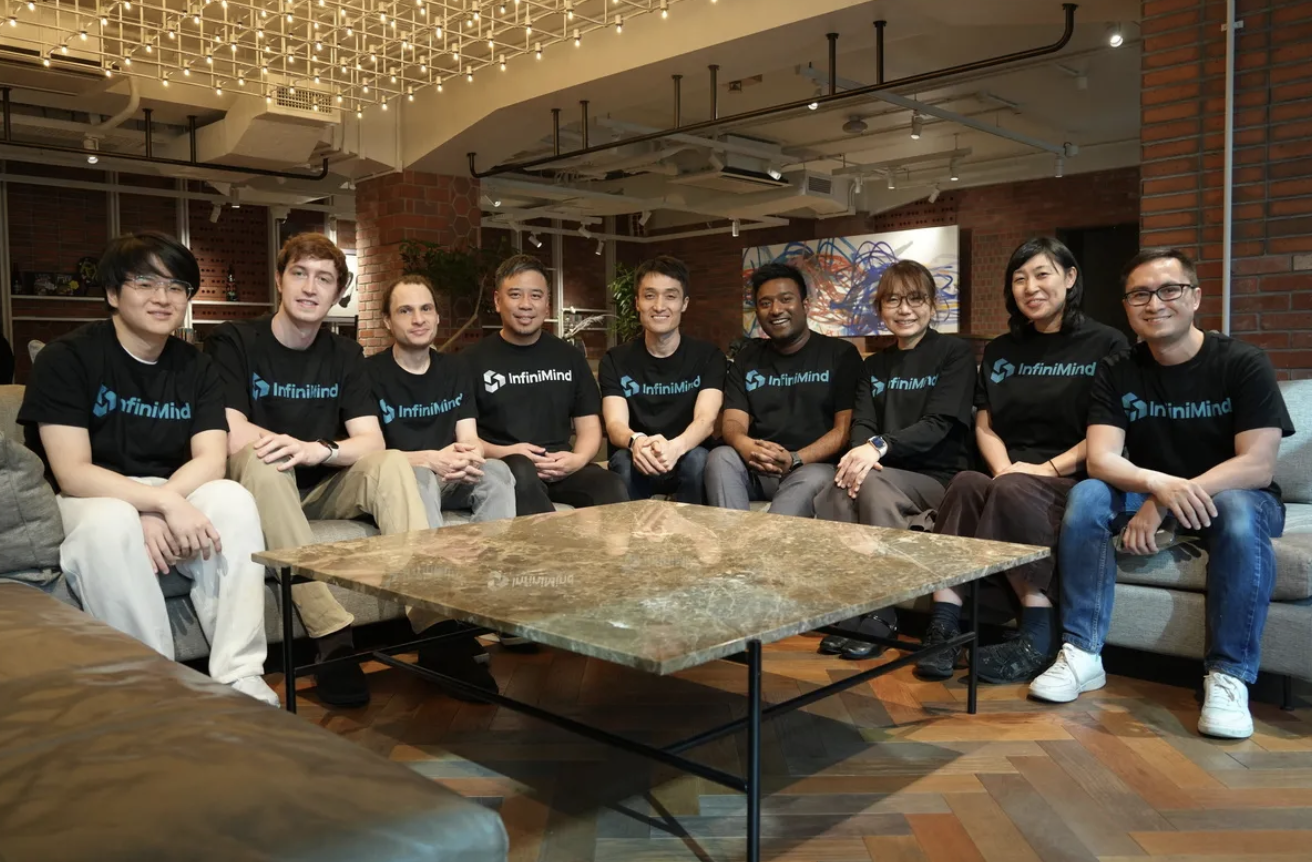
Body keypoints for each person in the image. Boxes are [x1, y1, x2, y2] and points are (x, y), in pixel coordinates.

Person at [204, 233, 493, 707]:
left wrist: (315, 450)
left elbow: (370, 441)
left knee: (391, 462)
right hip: (259, 485)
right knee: (262, 458)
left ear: (338, 292)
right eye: (299, 274)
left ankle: (433, 625)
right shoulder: (236, 340)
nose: (309, 287)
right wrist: (289, 448)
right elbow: (232, 431)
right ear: (279, 279)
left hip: (320, 485)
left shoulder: (344, 354)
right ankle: (333, 638)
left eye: (324, 279)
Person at [1030, 248, 1293, 739]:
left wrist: (1160, 501)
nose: (1155, 303)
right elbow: (1101, 459)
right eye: (1140, 295)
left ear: (1195, 297)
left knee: (1237, 511)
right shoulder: (1118, 368)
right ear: (1127, 307)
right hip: (1154, 488)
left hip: (1235, 494)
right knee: (1088, 495)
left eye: (1169, 290)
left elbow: (1257, 465)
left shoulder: (1242, 362)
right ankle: (1082, 652)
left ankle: (1229, 675)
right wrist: (1155, 486)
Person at [17, 231, 278, 706]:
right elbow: (73, 471)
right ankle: (153, 686)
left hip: (172, 486)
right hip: (90, 496)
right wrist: (155, 505)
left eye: (176, 286)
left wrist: (163, 504)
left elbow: (211, 458)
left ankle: (240, 673)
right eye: (145, 283)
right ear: (112, 293)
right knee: (111, 523)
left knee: (234, 499)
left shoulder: (196, 366)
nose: (163, 297)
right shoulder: (67, 358)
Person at [916, 237, 1129, 684]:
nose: (1030, 287)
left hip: (1074, 476)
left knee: (1011, 487)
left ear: (1070, 278)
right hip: (1011, 474)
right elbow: (985, 424)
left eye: (1041, 274)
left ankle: (1037, 634)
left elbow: (1107, 432)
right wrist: (1002, 470)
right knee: (967, 482)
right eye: (1019, 279)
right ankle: (944, 625)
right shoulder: (1000, 350)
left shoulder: (1107, 343)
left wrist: (1041, 471)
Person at [813, 260, 977, 659]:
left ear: (932, 305)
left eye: (916, 299)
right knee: (837, 487)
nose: (905, 310)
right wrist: (862, 454)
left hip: (938, 477)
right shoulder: (874, 365)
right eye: (893, 300)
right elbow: (862, 424)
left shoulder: (954, 353)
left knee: (868, 483)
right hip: (884, 471)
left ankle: (882, 612)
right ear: (880, 308)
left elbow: (938, 425)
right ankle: (850, 608)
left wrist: (877, 448)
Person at [463, 253, 628, 515]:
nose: (526, 305)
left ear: (547, 305)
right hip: (506, 467)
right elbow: (466, 438)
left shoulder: (570, 357)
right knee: (520, 468)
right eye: (515, 295)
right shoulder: (470, 361)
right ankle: (553, 542)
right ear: (497, 300)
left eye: (536, 296)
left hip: (560, 466)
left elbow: (589, 429)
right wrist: (508, 452)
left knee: (610, 485)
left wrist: (577, 459)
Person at [706, 262, 862, 517]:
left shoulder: (840, 355)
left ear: (805, 305)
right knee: (720, 457)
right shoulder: (746, 359)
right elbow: (733, 422)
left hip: (813, 467)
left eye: (786, 299)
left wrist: (795, 458)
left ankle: (768, 540)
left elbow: (843, 430)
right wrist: (748, 447)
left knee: (806, 482)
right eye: (765, 303)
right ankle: (731, 537)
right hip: (759, 467)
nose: (776, 310)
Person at [367, 274, 516, 527]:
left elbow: (469, 437)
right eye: (405, 311)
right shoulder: (369, 373)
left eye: (426, 308)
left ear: (437, 316)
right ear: (387, 321)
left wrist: (469, 455)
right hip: (401, 478)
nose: (419, 319)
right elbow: (369, 455)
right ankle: (432, 554)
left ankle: (491, 553)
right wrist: (431, 459)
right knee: (419, 476)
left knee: (497, 472)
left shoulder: (456, 368)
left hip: (451, 475)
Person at [599, 255, 725, 505]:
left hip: (686, 454)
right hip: (637, 457)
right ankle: (631, 530)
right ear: (637, 303)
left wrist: (675, 448)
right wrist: (637, 441)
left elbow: (706, 420)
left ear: (684, 303)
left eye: (670, 296)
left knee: (699, 459)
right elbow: (615, 424)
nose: (659, 306)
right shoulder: (615, 360)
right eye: (649, 296)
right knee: (622, 461)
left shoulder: (708, 356)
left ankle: (690, 530)